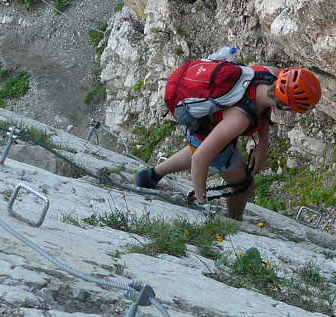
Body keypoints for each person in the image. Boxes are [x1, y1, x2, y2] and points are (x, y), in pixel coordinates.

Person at [134, 66, 322, 220]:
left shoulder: (268, 74)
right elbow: (201, 158)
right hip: (203, 130)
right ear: (287, 106)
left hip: (198, 115)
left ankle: (151, 175)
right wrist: (202, 202)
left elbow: (266, 104)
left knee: (204, 148)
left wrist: (262, 144)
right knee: (243, 185)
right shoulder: (239, 120)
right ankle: (234, 222)